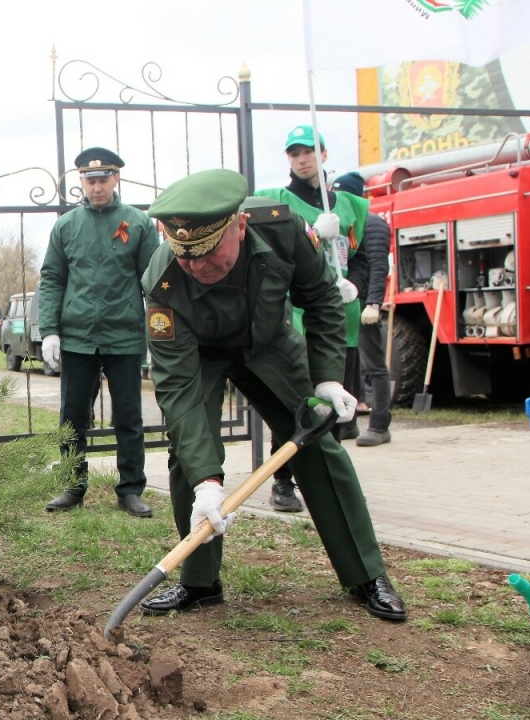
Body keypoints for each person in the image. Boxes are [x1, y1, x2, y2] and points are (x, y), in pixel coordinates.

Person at [138, 168, 406, 622]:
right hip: (200, 357)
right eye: (188, 258)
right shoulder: (162, 281)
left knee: (319, 446)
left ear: (240, 225)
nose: (198, 267)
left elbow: (321, 298)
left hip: (269, 345)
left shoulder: (280, 227)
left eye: (208, 254)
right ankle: (200, 583)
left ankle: (366, 574)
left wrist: (326, 379)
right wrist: (208, 482)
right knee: (189, 456)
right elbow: (178, 390)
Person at [39, 147, 160, 518]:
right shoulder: (66, 225)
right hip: (77, 339)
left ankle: (130, 489)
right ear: (81, 182)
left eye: (103, 179)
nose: (97, 187)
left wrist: (158, 333)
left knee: (128, 415)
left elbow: (153, 282)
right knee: (72, 416)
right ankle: (73, 486)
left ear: (116, 178)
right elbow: (53, 279)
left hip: (123, 336)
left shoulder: (138, 224)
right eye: (90, 180)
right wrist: (49, 331)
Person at [254, 125, 369, 511]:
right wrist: (311, 234)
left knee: (333, 400)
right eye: (294, 153)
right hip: (297, 314)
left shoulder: (352, 205)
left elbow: (365, 257)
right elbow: (269, 254)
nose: (302, 159)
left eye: (308, 151)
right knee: (295, 402)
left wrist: (356, 284)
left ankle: (325, 478)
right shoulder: (276, 201)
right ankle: (283, 481)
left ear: (323, 154)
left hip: (341, 316)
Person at [331, 172, 393, 447]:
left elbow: (378, 266)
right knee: (350, 366)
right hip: (347, 305)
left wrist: (373, 303)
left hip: (365, 304)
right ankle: (349, 423)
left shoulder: (374, 223)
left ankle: (380, 425)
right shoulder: (350, 222)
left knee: (374, 366)